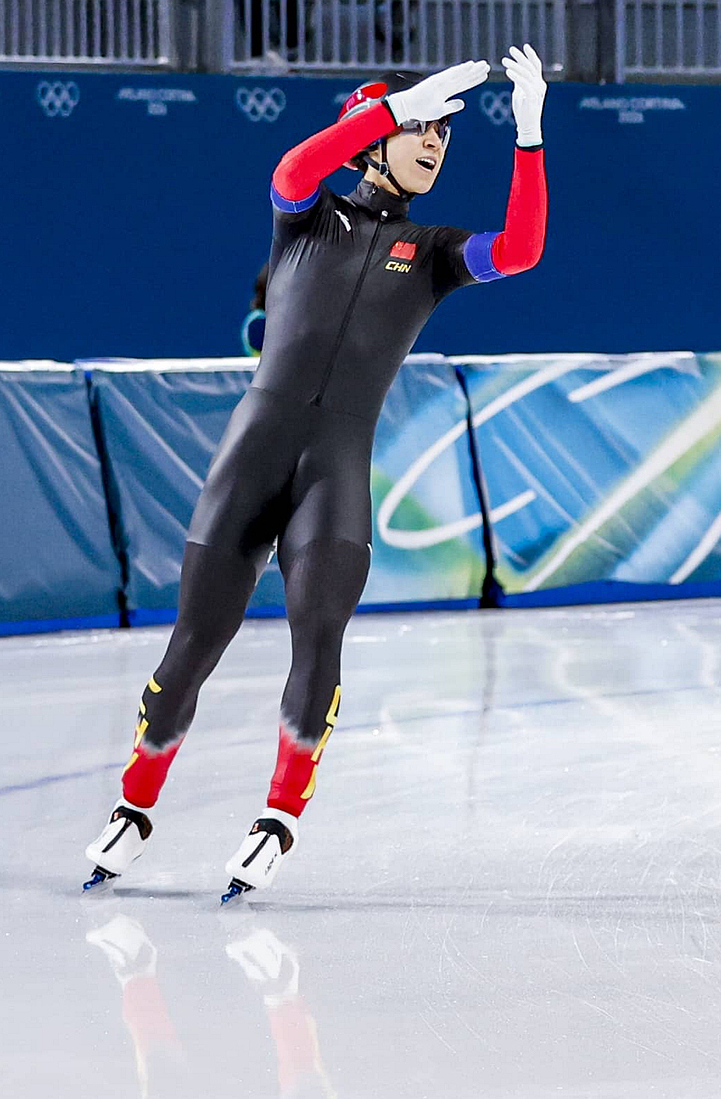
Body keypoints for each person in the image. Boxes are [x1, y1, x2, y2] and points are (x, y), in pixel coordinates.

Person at [81, 46, 550, 901]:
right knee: (194, 642)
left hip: (336, 463)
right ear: (372, 140)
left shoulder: (435, 250)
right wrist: (391, 106)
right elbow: (295, 166)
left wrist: (528, 135)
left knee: (318, 632)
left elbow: (519, 252)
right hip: (254, 450)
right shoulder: (303, 218)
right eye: (422, 129)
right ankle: (134, 806)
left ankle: (278, 817)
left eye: (447, 134)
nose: (437, 143)